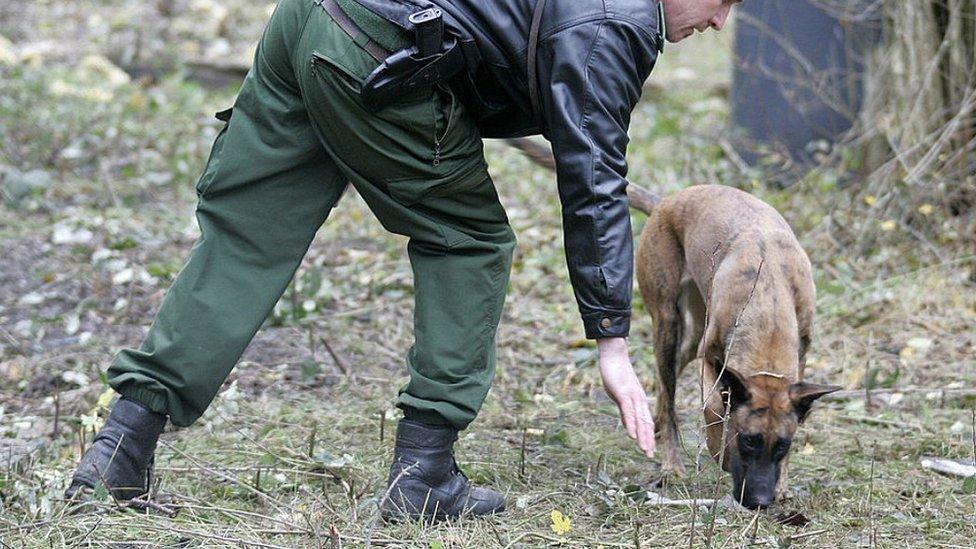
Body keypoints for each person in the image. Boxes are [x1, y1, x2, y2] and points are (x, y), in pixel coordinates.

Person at [66, 0, 738, 520]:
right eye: (723, 0)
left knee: (246, 238)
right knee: (468, 239)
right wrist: (612, 340)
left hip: (311, 19)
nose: (719, 21)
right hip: (379, 43)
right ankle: (423, 474)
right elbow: (591, 173)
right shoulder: (616, 21)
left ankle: (117, 452)